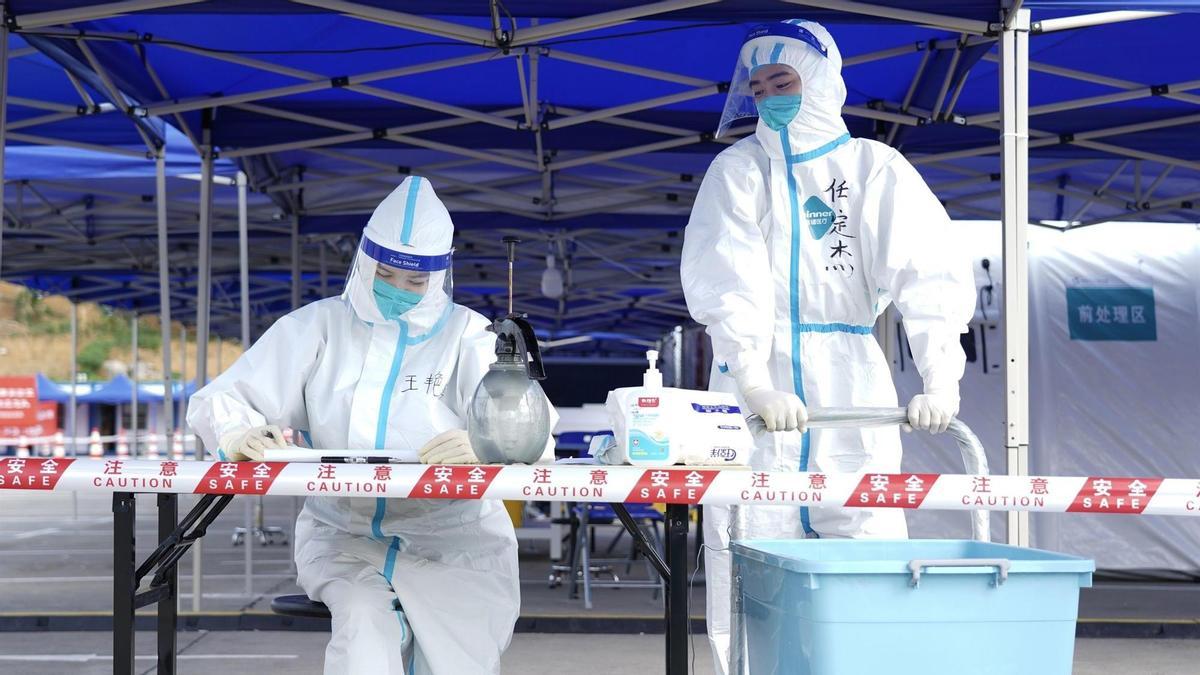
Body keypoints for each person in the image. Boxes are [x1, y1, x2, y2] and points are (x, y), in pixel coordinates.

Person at [679, 19, 976, 674]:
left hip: (852, 382)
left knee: (865, 557)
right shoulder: (737, 172)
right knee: (752, 561)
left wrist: (940, 379)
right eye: (758, 87)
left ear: (820, 81)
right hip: (755, 395)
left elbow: (929, 275)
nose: (769, 96)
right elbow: (729, 281)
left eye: (782, 80)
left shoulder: (873, 168)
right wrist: (752, 377)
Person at [188, 176, 549, 674]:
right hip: (343, 534)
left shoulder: (471, 336)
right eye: (386, 275)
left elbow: (537, 430)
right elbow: (224, 397)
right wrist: (236, 433)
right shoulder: (317, 328)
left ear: (439, 276)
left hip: (456, 540)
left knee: (458, 661)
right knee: (362, 627)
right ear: (364, 262)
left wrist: (488, 441)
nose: (399, 290)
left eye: (415, 281)